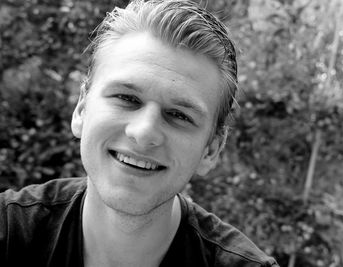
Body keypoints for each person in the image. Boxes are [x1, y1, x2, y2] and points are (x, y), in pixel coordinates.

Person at [0, 0, 279, 266]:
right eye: (126, 98)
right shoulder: (9, 232)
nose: (144, 132)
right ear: (82, 109)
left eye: (180, 115)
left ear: (211, 150)